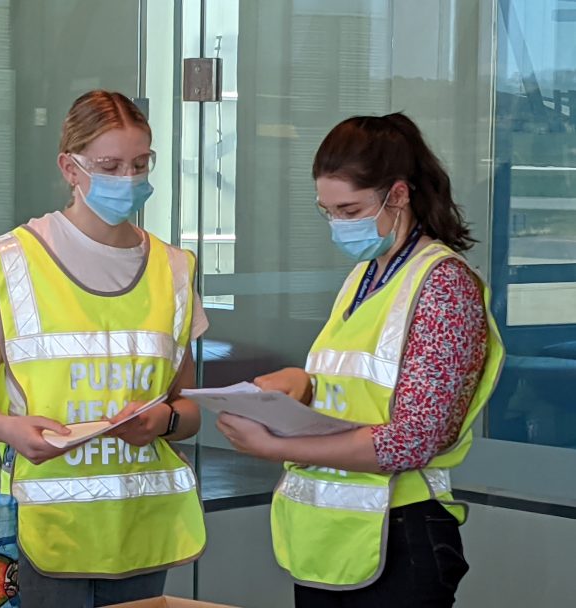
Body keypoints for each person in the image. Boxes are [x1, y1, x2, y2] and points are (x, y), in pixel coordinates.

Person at [216, 113, 504, 607]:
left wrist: (273, 448)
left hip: (400, 532)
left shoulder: (442, 286)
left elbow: (413, 440)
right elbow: (359, 389)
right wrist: (301, 384)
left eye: (349, 210)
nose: (337, 225)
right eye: (327, 211)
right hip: (332, 538)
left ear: (398, 194)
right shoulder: (366, 277)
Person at [0, 90, 207, 608]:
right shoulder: (11, 261)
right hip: (42, 530)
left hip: (141, 527)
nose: (128, 179)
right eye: (109, 165)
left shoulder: (175, 269)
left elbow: (188, 408)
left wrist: (163, 422)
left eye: (140, 164)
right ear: (70, 168)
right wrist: (10, 428)